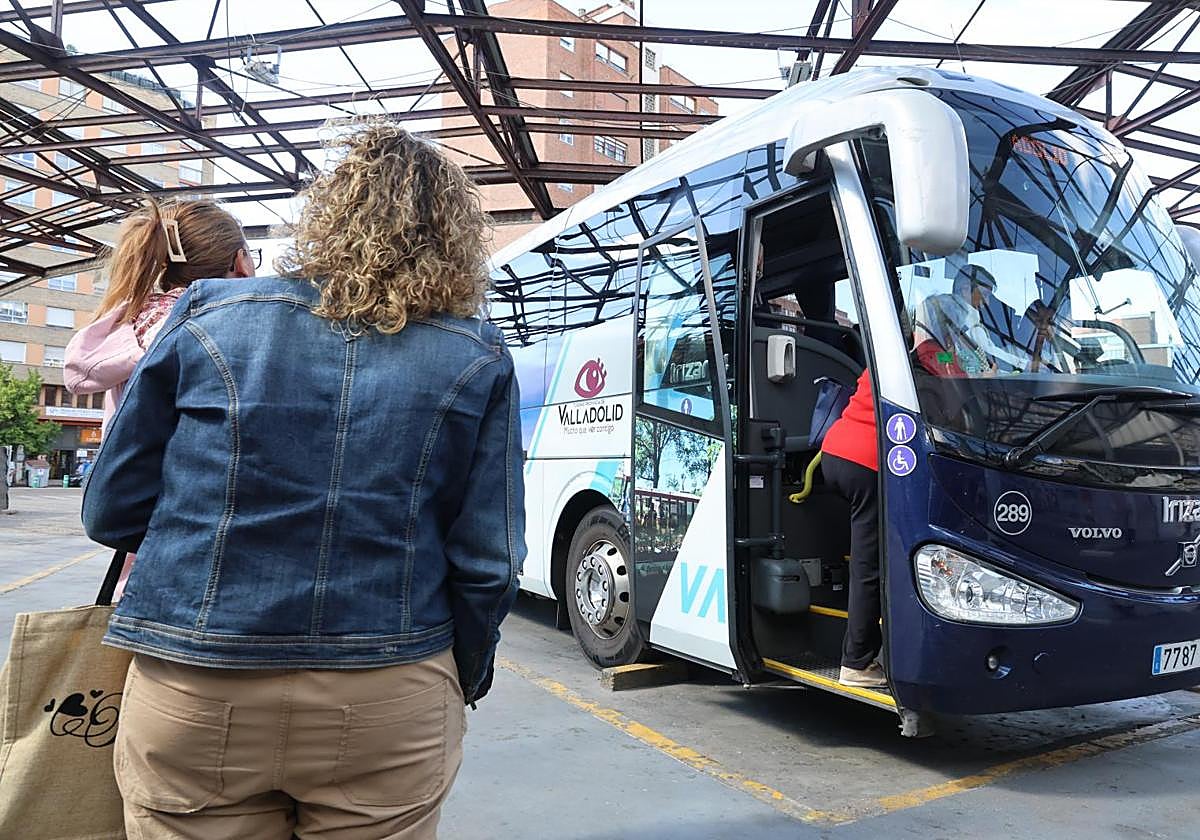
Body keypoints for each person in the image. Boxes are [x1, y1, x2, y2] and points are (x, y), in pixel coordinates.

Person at [82, 121, 524, 839]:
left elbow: (110, 511)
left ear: (324, 212)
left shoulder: (206, 316)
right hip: (390, 685)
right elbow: (488, 560)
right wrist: (459, 673)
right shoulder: (475, 353)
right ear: (454, 235)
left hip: (198, 682)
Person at [64, 198, 255, 599]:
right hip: (207, 532)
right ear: (240, 262)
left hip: (142, 529)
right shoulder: (221, 327)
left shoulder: (133, 325)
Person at [820, 368, 885, 688]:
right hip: (866, 460)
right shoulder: (931, 353)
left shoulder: (889, 349)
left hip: (835, 451)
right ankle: (856, 662)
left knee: (866, 557)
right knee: (868, 565)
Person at [913, 264, 999, 376]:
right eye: (956, 327)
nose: (959, 333)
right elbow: (950, 381)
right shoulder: (929, 352)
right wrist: (982, 379)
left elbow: (954, 366)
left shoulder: (946, 352)